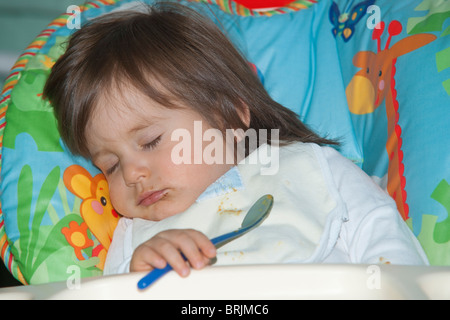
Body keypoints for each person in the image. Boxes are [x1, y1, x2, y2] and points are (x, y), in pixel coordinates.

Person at [44, 1, 428, 277]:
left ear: (228, 114)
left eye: (149, 141)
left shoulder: (309, 167)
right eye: (109, 164)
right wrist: (135, 278)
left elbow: (384, 235)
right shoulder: (134, 240)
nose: (131, 173)